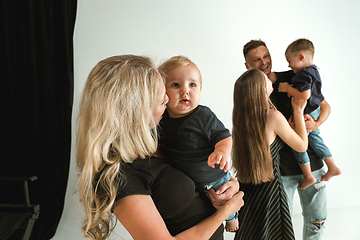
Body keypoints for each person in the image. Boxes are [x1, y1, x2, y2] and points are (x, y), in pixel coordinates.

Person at [76, 54, 244, 240]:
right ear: (136, 108)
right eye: (161, 100)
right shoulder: (121, 175)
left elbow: (196, 170)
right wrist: (227, 211)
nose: (168, 99)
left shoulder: (157, 140)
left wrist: (229, 184)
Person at [243, 39, 329, 239]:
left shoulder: (295, 77)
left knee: (317, 223)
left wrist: (314, 125)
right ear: (247, 66)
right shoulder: (248, 92)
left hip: (313, 162)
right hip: (281, 172)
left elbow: (324, 106)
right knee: (282, 229)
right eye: (256, 60)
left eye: (266, 56)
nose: (263, 62)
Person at [157, 55, 239, 232]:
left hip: (212, 177)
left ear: (201, 89)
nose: (185, 91)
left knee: (223, 198)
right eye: (176, 85)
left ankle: (232, 219)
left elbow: (224, 136)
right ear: (163, 92)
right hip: (190, 184)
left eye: (192, 85)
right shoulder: (161, 120)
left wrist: (221, 152)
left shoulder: (203, 115)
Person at [232, 68, 308, 240]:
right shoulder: (272, 116)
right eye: (265, 78)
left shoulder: (242, 117)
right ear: (261, 89)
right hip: (270, 188)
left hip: (249, 187)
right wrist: (298, 110)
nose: (269, 79)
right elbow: (302, 146)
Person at [278, 38, 341, 189]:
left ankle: (308, 176)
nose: (288, 65)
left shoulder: (303, 74)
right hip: (313, 111)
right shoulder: (313, 71)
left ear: (301, 57)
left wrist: (288, 89)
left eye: (289, 60)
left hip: (306, 114)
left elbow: (304, 95)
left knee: (298, 143)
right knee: (316, 139)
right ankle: (331, 166)